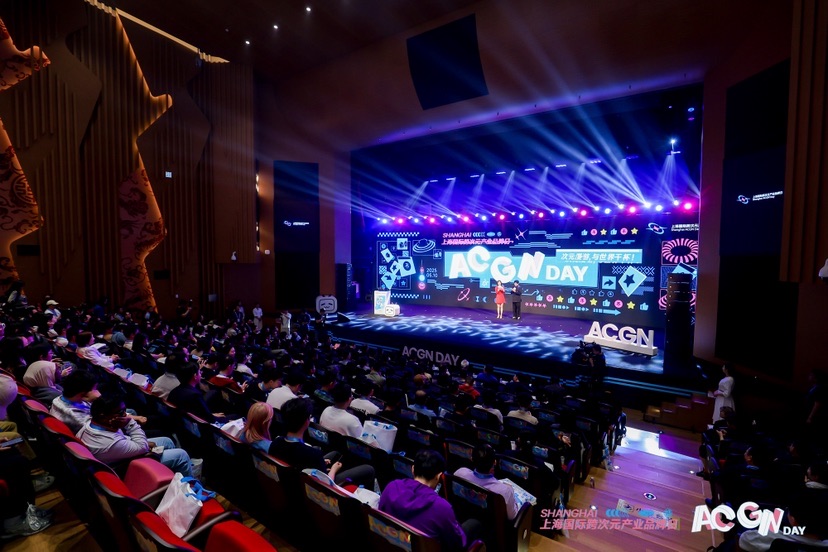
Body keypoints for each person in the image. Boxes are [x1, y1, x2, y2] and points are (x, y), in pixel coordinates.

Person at [269, 397, 375, 488]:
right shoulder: (313, 455)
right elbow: (326, 485)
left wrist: (320, 463)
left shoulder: (276, 443)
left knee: (335, 453)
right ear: (306, 422)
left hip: (287, 483)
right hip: (311, 489)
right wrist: (334, 469)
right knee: (368, 469)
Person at [378, 449, 472, 552]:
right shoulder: (442, 508)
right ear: (438, 476)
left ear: (413, 469)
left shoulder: (392, 486)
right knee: (473, 525)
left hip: (389, 546)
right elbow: (459, 544)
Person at [77, 394, 192, 477]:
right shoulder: (110, 443)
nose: (125, 415)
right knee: (181, 455)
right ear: (103, 416)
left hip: (120, 451)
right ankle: (190, 488)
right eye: (121, 412)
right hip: (126, 466)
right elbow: (142, 447)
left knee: (166, 441)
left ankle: (170, 475)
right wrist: (130, 423)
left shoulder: (91, 423)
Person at [454, 443, 520, 520]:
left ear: (471, 459)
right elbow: (512, 516)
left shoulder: (459, 473)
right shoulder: (505, 491)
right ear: (494, 462)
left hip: (463, 516)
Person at [49, 369, 101, 433]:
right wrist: (99, 401)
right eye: (95, 389)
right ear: (83, 393)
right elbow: (98, 429)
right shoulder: (78, 418)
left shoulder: (60, 398)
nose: (97, 391)